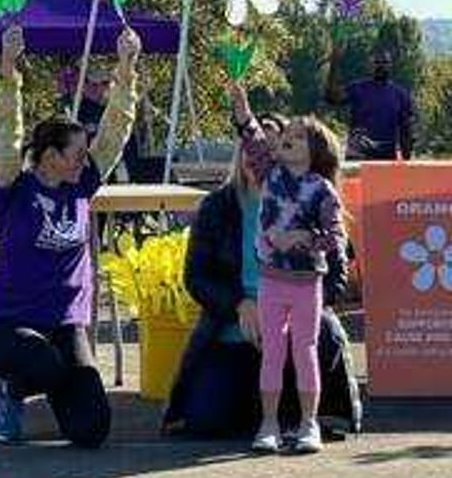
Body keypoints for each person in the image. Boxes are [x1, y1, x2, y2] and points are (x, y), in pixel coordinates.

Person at [0, 23, 141, 446]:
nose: (86, 160)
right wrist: (9, 65)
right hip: (8, 328)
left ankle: (60, 398)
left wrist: (127, 68)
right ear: (50, 157)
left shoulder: (81, 183)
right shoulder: (14, 187)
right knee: (42, 361)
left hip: (65, 326)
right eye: (76, 154)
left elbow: (115, 130)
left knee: (92, 430)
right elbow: (5, 133)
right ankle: (9, 394)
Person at [162, 118, 361, 441]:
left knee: (317, 334)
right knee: (205, 422)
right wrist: (240, 305)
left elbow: (336, 276)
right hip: (234, 327)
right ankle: (264, 411)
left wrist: (291, 312)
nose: (260, 157)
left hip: (296, 320)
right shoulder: (216, 206)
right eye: (253, 149)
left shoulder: (314, 197)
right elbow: (196, 277)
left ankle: (304, 415)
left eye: (273, 149)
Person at [232, 83, 348, 454]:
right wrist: (242, 110)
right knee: (273, 352)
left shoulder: (322, 190)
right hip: (271, 281)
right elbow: (251, 139)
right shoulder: (270, 174)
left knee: (305, 349)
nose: (286, 140)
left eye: (297, 137)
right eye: (287, 135)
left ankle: (308, 424)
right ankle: (268, 424)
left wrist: (302, 238)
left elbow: (335, 238)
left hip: (306, 284)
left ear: (314, 150)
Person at [325, 46, 414, 160]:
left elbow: (406, 131)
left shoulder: (401, 95)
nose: (381, 66)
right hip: (358, 156)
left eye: (385, 62)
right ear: (370, 65)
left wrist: (406, 162)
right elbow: (331, 98)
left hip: (385, 159)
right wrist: (334, 64)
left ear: (391, 65)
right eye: (377, 62)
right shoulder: (358, 88)